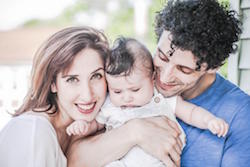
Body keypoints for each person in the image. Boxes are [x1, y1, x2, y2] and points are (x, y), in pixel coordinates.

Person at [67, 0, 250, 167]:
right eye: (162, 56)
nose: (164, 77)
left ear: (213, 67)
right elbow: (75, 160)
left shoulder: (240, 115)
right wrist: (135, 131)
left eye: (183, 69)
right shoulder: (130, 82)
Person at [67, 37, 229, 167]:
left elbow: (191, 112)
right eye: (117, 91)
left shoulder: (159, 98)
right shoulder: (110, 105)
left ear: (152, 80)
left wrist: (210, 121)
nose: (126, 97)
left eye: (135, 90)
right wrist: (83, 126)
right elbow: (96, 125)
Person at [0, 26, 110, 167]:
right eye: (72, 79)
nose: (87, 95)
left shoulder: (84, 131)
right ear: (53, 84)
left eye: (96, 76)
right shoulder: (33, 131)